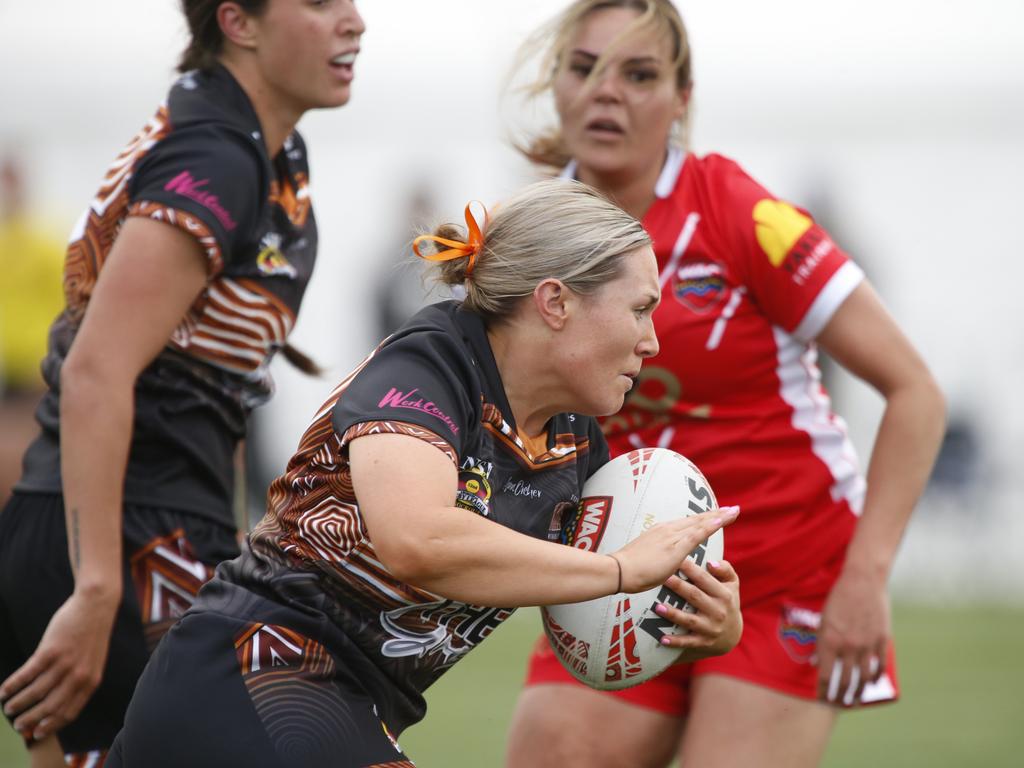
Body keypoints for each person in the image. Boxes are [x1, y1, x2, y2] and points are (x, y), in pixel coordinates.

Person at [107, 179, 743, 768]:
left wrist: (701, 625)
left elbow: (596, 626)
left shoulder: (576, 446)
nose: (653, 341)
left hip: (346, 710)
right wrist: (623, 570)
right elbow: (417, 540)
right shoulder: (429, 366)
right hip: (250, 673)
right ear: (555, 302)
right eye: (639, 309)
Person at [503, 3, 946, 768]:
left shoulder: (742, 214)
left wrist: (866, 578)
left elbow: (916, 393)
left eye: (639, 75)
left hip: (785, 568)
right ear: (557, 86)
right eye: (584, 69)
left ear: (681, 98)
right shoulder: (528, 232)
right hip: (622, 565)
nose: (606, 93)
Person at [0, 1, 365, 765]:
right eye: (322, 2)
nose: (354, 21)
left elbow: (211, 380)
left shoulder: (262, 151)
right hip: (121, 539)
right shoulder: (217, 155)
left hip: (156, 525)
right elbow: (99, 368)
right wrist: (96, 588)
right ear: (239, 22)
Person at [0, 154, 67, 506]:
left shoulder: (44, 242)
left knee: (29, 449)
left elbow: (66, 303)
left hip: (37, 365)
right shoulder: (4, 242)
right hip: (10, 366)